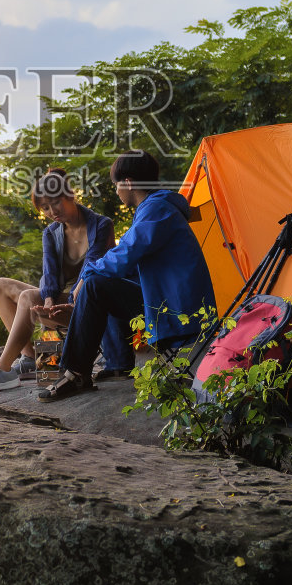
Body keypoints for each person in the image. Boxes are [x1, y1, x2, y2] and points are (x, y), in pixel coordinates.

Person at [39, 149, 215, 402]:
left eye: (116, 185)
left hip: (177, 310)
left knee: (95, 284)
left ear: (128, 183)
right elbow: (130, 265)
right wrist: (83, 301)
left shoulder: (157, 209)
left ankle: (76, 373)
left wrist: (86, 276)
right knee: (100, 285)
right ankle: (113, 364)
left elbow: (124, 255)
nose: (116, 191)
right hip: (168, 302)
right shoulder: (155, 208)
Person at [0, 169, 133, 392]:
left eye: (56, 203)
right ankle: (29, 358)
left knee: (27, 297)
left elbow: (92, 266)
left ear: (70, 195)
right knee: (0, 286)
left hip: (88, 303)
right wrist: (49, 301)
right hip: (61, 301)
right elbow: (49, 274)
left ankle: (2, 370)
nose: (52, 212)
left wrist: (67, 301)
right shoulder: (51, 233)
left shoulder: (101, 225)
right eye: (45, 208)